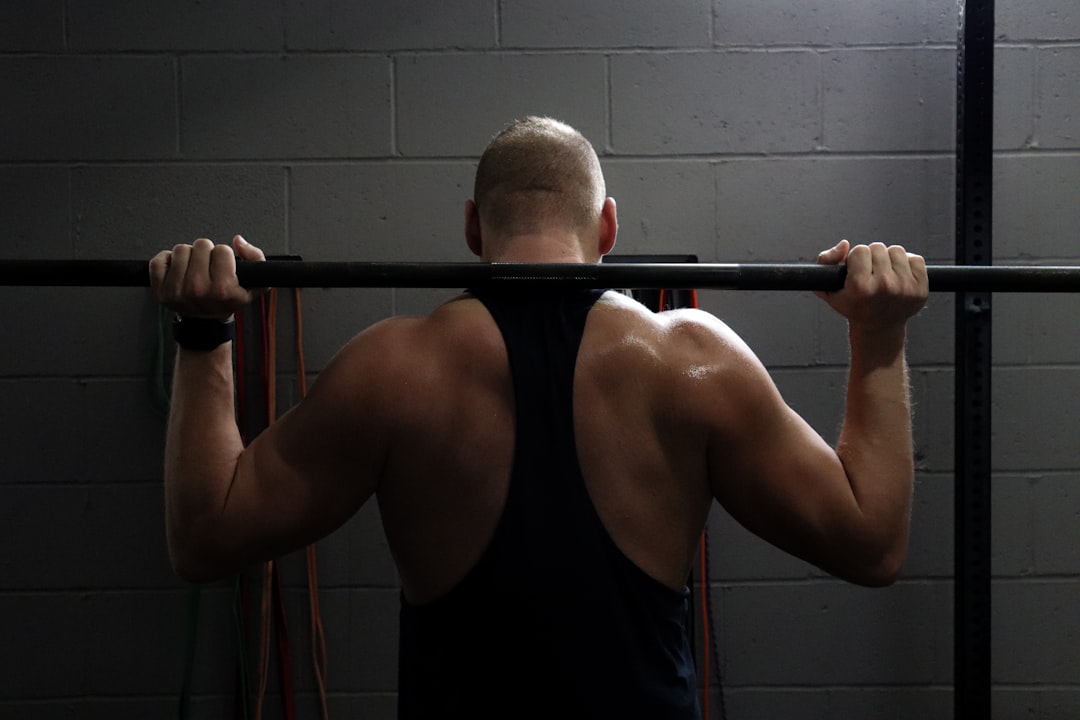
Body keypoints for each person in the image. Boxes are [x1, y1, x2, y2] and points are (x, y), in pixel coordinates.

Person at [149, 116, 928, 719]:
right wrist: (879, 334)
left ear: (472, 230)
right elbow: (871, 543)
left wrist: (203, 331)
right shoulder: (697, 362)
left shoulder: (394, 368)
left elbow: (206, 537)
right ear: (609, 227)